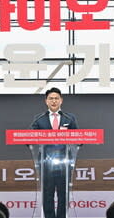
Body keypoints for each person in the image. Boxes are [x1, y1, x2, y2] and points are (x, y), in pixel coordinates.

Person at [30, 87, 78, 218]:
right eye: (51, 98)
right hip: (46, 161)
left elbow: (79, 139)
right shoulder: (39, 119)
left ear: (61, 100)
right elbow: (30, 138)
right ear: (46, 101)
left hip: (65, 161)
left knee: (64, 193)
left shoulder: (69, 118)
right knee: (48, 193)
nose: (54, 101)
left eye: (56, 98)